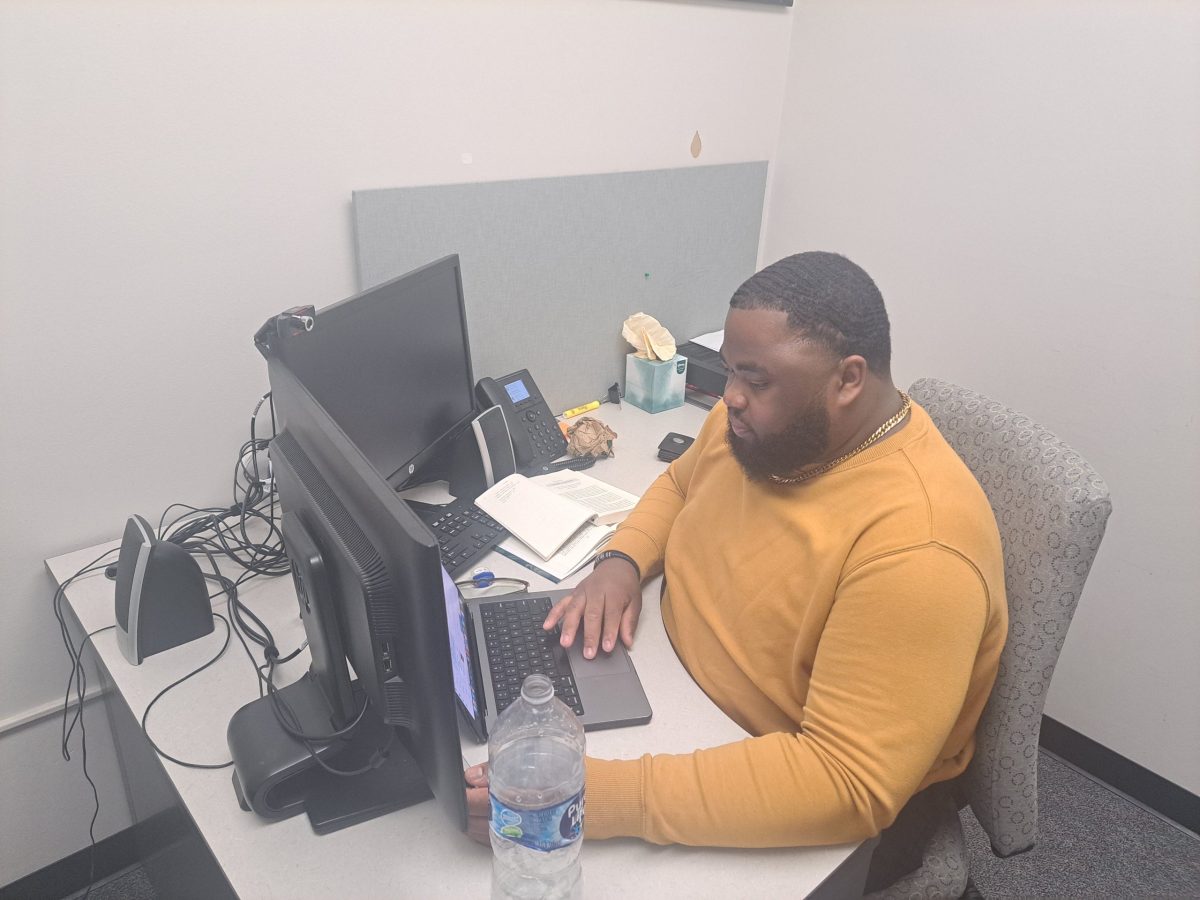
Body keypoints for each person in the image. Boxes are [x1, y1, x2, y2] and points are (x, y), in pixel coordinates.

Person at [465, 252, 1007, 862]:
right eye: (730, 373)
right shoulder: (765, 427)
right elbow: (678, 484)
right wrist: (620, 561)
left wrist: (594, 795)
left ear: (849, 379)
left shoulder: (920, 551)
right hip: (670, 689)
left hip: (791, 794)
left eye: (756, 380)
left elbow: (846, 783)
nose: (730, 399)